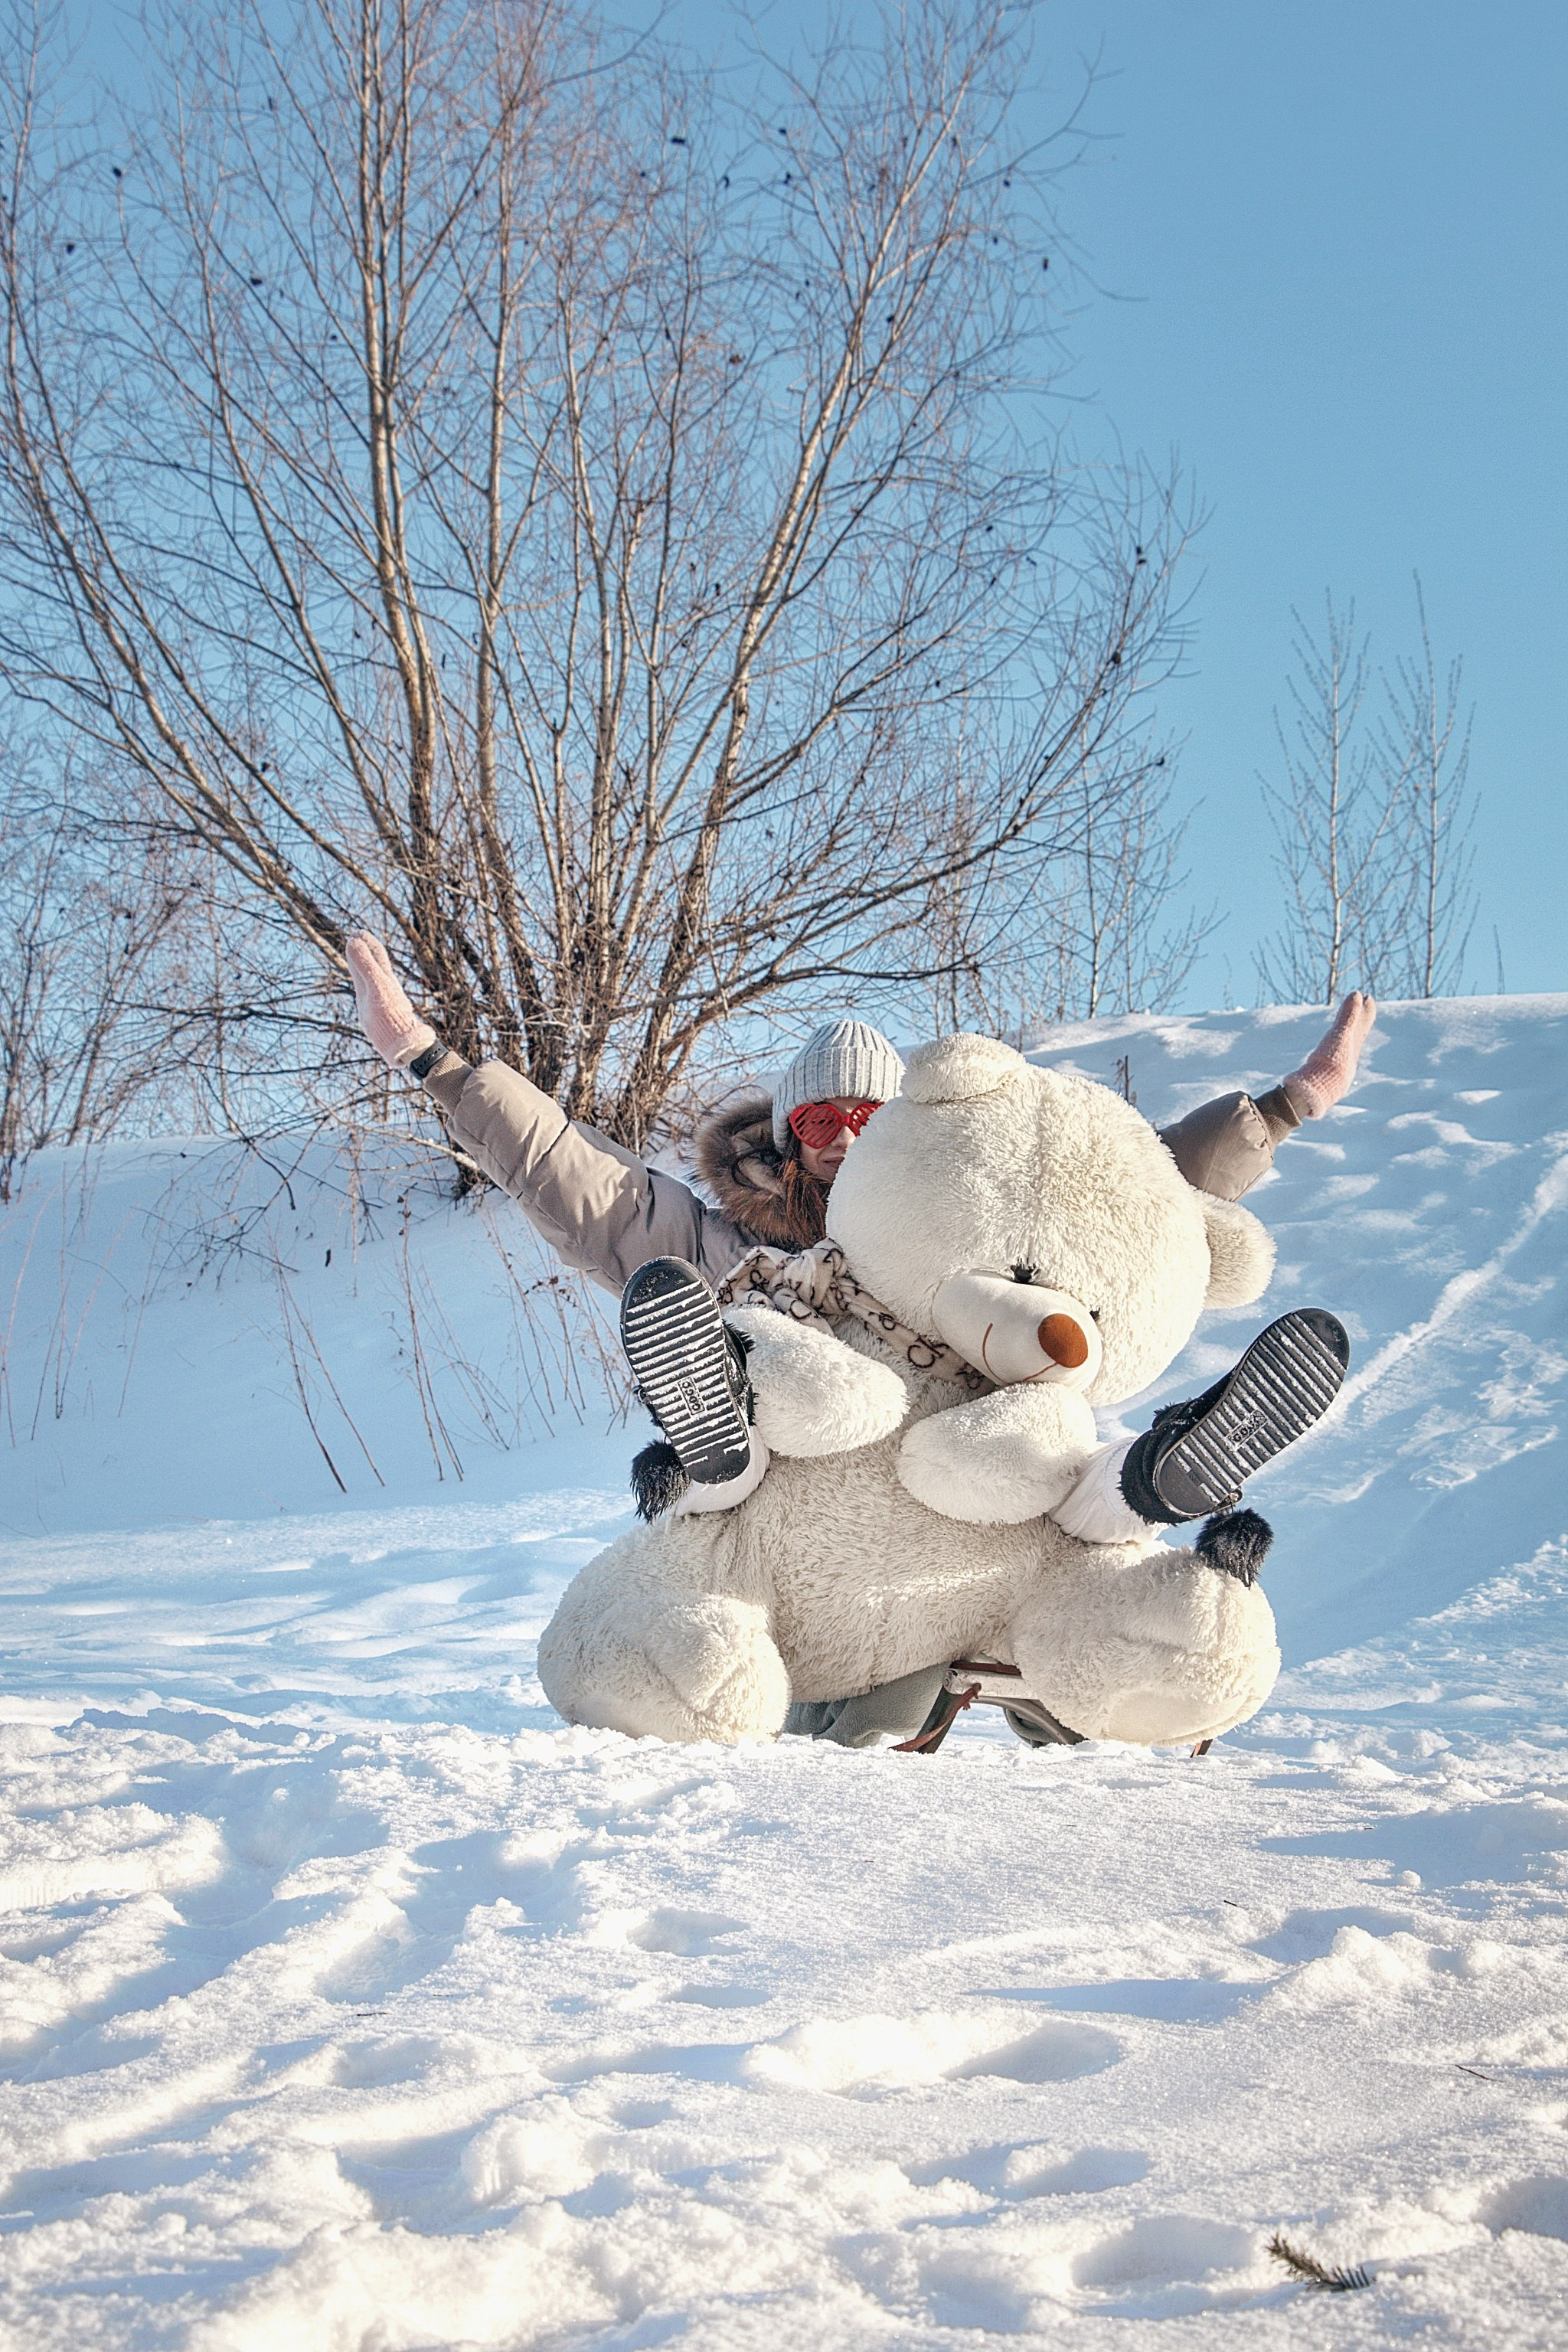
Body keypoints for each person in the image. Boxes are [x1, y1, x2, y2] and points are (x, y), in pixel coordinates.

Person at [345, 933, 1374, 1743]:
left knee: (1048, 1583)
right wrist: (434, 1062)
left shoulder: (964, 1233)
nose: (841, 1140)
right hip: (797, 1532)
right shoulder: (729, 1244)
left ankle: (1150, 1498)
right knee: (835, 1694)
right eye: (817, 1122)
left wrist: (1283, 1110)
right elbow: (586, 1184)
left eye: (864, 1119)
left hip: (954, 1522)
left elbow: (1133, 1192)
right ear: (787, 1137)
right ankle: (720, 1438)